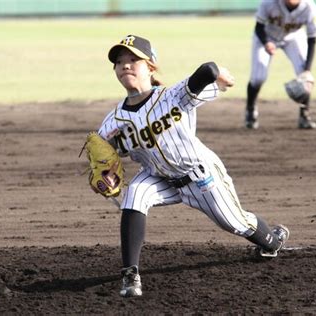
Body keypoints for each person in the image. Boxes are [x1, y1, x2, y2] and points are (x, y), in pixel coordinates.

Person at [97, 34, 290, 298]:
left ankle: (273, 240)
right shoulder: (112, 122)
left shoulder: (174, 96)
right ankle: (130, 274)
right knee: (135, 195)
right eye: (120, 62)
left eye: (134, 60)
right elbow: (104, 159)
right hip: (158, 178)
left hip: (200, 176)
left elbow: (207, 70)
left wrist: (218, 74)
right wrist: (106, 176)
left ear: (151, 67)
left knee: (236, 223)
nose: (126, 66)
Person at [245, 0, 316, 129]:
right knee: (258, 77)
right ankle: (250, 110)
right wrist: (266, 42)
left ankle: (305, 115)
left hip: (293, 37)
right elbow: (259, 26)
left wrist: (307, 70)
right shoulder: (268, 3)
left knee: (304, 75)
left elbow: (312, 39)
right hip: (266, 36)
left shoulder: (309, 7)